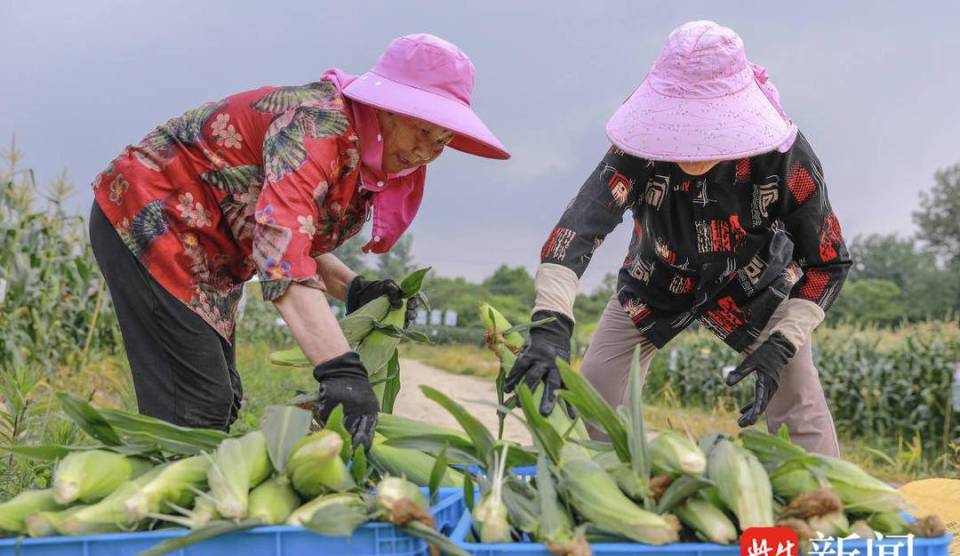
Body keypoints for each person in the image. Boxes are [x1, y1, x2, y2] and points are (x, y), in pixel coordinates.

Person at [88, 33, 509, 449]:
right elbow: (282, 253)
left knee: (222, 402)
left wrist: (355, 289)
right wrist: (339, 370)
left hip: (209, 250)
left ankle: (171, 481)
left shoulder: (362, 152)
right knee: (194, 409)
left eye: (442, 140)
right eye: (423, 130)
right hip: (153, 219)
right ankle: (141, 491)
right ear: (388, 108)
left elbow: (292, 234)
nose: (426, 152)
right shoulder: (315, 128)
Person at [505, 20, 849, 456]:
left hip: (757, 285)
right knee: (594, 395)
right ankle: (604, 484)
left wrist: (783, 342)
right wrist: (550, 325)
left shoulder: (784, 158)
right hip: (654, 280)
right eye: (682, 130)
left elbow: (827, 263)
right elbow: (575, 232)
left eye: (708, 131)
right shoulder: (637, 150)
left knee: (798, 398)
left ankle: (821, 498)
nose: (693, 147)